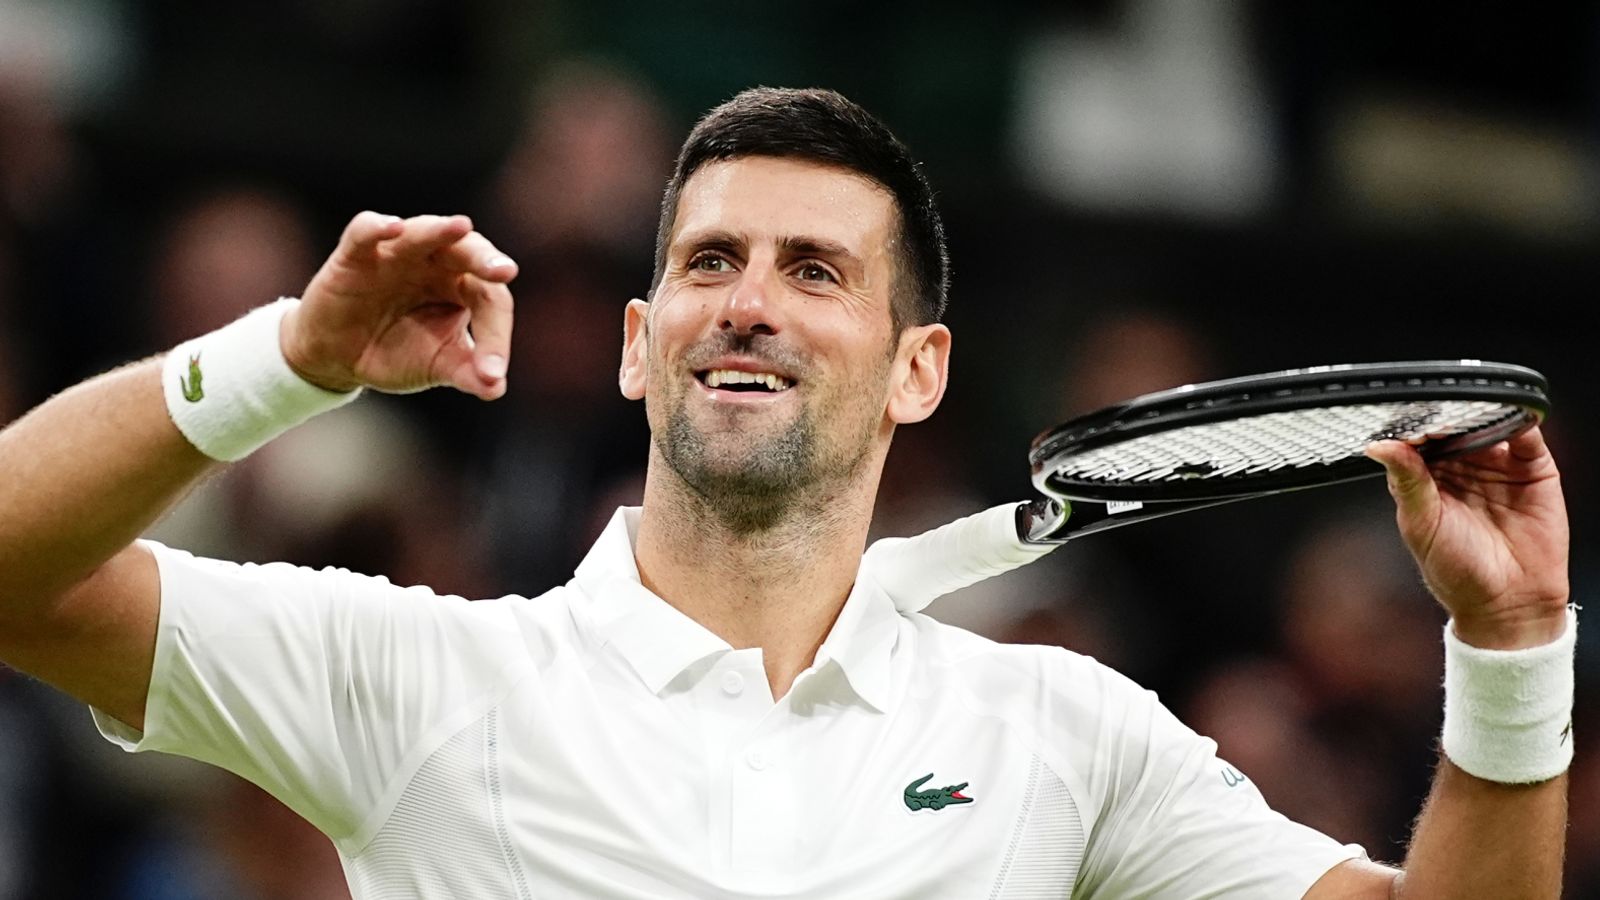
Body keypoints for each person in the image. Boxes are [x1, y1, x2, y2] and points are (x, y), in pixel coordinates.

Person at [0, 88, 1573, 898]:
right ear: (638, 347)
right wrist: (288, 357)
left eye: (815, 272)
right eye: (707, 264)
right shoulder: (422, 679)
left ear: (917, 371)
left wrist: (1510, 652)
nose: (747, 303)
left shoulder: (1062, 735)